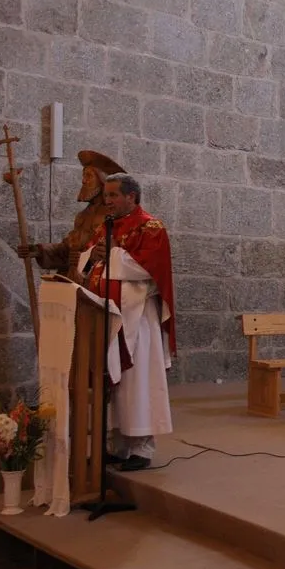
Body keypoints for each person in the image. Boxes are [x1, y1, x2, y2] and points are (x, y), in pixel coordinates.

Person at [77, 173, 177, 471]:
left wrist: (112, 256)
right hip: (105, 314)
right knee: (113, 382)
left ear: (131, 197)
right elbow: (89, 262)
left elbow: (149, 268)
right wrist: (91, 256)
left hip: (137, 317)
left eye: (112, 196)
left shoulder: (151, 227)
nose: (106, 201)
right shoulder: (105, 226)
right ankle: (117, 446)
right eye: (105, 196)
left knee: (138, 381)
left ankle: (141, 448)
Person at [18, 151, 126, 276]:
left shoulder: (114, 216)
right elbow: (68, 248)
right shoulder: (83, 216)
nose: (84, 181)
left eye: (89, 176)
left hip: (96, 281)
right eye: (83, 176)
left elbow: (117, 255)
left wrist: (87, 258)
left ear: (102, 181)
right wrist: (39, 250)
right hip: (73, 277)